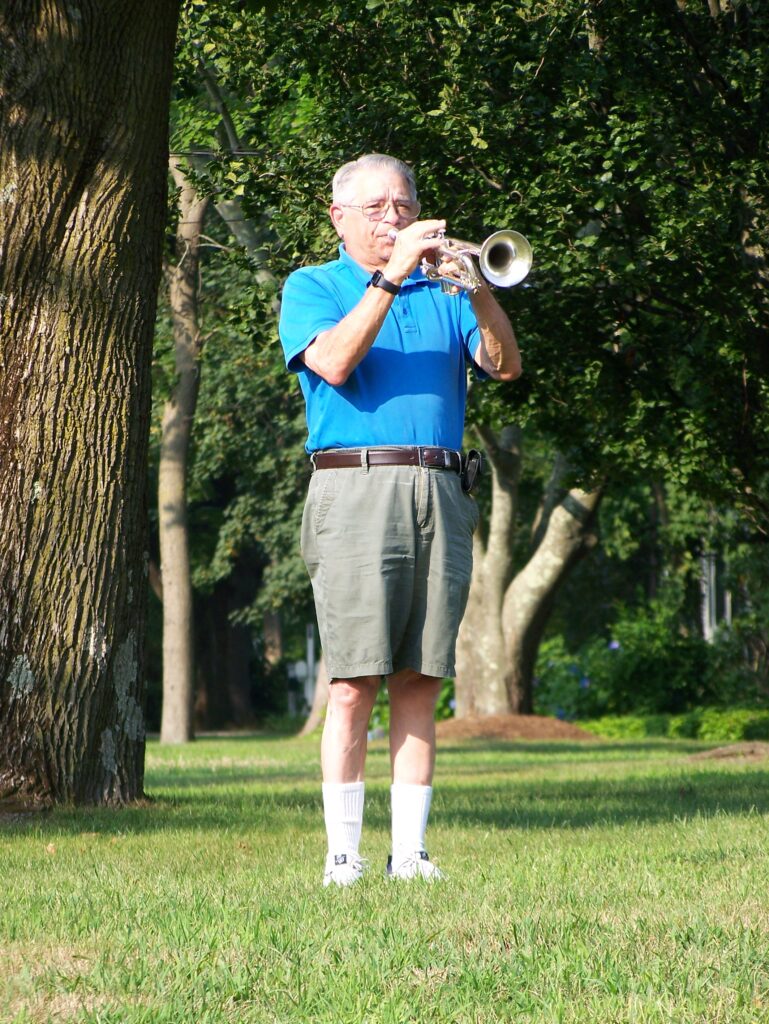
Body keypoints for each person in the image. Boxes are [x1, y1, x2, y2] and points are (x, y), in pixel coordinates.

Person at [278, 153, 521, 886]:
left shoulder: (445, 290)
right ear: (339, 218)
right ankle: (342, 857)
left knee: (420, 678)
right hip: (355, 486)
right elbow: (334, 364)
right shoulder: (313, 286)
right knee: (354, 680)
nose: (395, 218)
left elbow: (505, 365)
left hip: (441, 487)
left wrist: (476, 292)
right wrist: (389, 279)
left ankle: (410, 854)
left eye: (405, 205)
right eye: (378, 207)